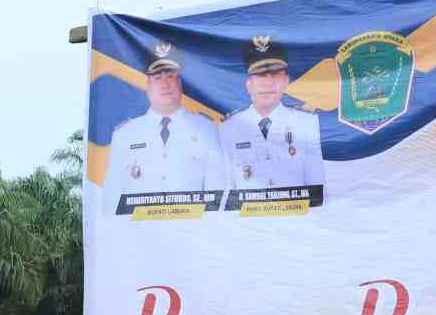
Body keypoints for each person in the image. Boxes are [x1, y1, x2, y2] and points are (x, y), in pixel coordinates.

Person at [102, 41, 228, 215]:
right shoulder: (125, 134)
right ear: (148, 86)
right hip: (139, 237)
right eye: (157, 78)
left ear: (180, 84)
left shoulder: (207, 129)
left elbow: (218, 195)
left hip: (192, 236)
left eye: (170, 76)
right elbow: (112, 199)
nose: (165, 84)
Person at [220, 36, 326, 193]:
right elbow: (228, 190)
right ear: (248, 84)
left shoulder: (306, 123)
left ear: (286, 81)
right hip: (249, 216)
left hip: (295, 215)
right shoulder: (229, 128)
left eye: (275, 73)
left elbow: (317, 187)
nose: (268, 82)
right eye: (260, 74)